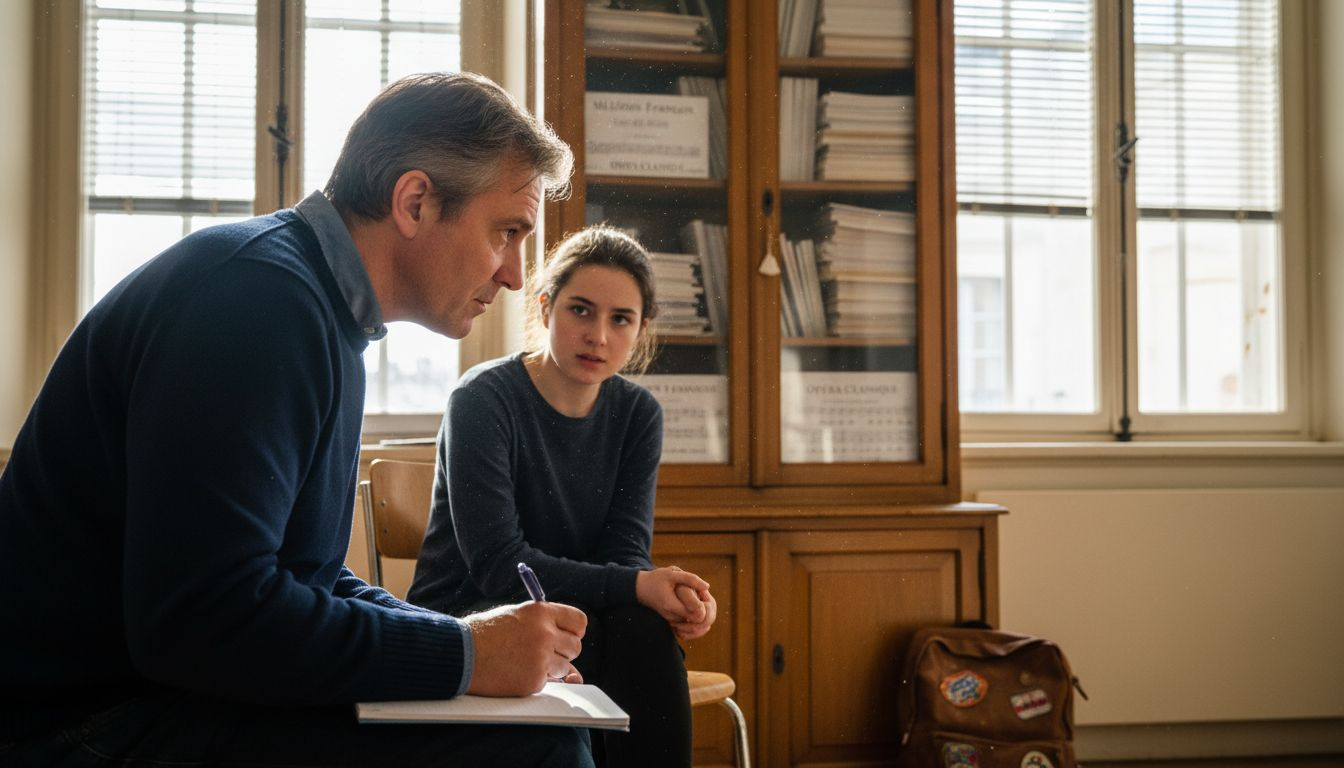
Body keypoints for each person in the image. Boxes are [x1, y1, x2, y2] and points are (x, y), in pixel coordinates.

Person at [0, 72, 596, 767]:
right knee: (539, 745)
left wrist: (472, 644)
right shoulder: (260, 308)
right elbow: (204, 620)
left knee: (533, 728)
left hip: (152, 697)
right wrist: (465, 653)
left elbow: (302, 576)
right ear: (415, 202)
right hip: (83, 725)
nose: (516, 275)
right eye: (507, 232)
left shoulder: (313, 308)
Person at [407, 226, 718, 768]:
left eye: (620, 319)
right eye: (580, 310)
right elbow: (498, 565)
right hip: (475, 617)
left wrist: (657, 592)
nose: (598, 335)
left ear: (641, 330)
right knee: (612, 633)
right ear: (546, 307)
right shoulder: (482, 399)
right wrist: (638, 585)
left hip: (577, 617)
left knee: (642, 630)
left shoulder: (638, 414)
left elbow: (624, 552)